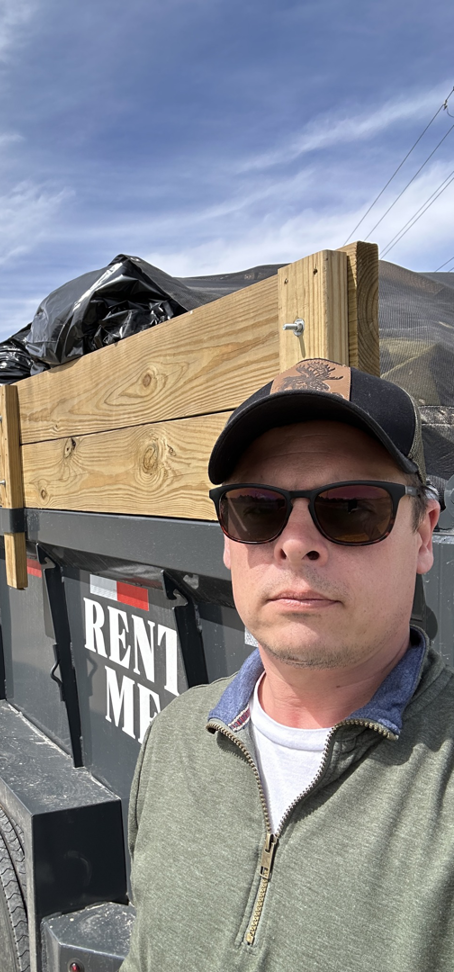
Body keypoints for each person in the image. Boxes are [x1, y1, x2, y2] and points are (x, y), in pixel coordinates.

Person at [120, 357, 454, 972]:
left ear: (423, 534)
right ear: (227, 536)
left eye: (353, 506)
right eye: (258, 507)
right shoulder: (176, 739)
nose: (295, 540)